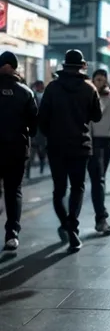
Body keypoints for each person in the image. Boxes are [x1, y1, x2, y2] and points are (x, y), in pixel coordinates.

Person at [38, 49, 102, 252]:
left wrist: (51, 135)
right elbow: (97, 116)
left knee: (59, 190)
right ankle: (72, 227)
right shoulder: (89, 88)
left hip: (56, 147)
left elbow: (42, 119)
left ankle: (67, 224)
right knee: (78, 187)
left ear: (64, 66)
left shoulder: (52, 88)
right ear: (82, 66)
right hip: (81, 146)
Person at [0, 51, 38, 251]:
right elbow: (34, 127)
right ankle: (11, 234)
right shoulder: (26, 92)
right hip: (17, 149)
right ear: (14, 67)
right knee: (13, 191)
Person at [88, 69, 110, 235]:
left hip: (109, 140)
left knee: (99, 177)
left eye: (102, 79)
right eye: (97, 79)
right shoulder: (88, 98)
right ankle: (101, 217)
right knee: (98, 178)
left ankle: (101, 216)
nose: (99, 82)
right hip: (93, 140)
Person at [27, 81, 47, 178]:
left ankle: (41, 170)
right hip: (33, 129)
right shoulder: (31, 95)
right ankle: (28, 173)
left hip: (42, 129)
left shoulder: (46, 96)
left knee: (41, 153)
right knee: (31, 153)